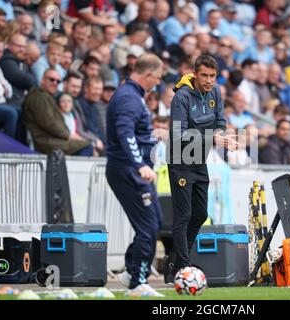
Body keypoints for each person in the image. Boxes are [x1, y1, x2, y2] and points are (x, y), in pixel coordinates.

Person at [164, 54, 239, 285]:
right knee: (184, 215)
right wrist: (213, 138)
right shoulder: (182, 98)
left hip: (199, 160)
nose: (208, 80)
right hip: (179, 161)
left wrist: (222, 134)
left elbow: (220, 120)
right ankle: (184, 268)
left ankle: (175, 263)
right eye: (204, 75)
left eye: (212, 76)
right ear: (195, 74)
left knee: (201, 214)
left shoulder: (215, 92)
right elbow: (178, 135)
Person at [105, 53, 165, 297]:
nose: (157, 84)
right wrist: (140, 164)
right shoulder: (129, 98)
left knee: (155, 222)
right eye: (157, 78)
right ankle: (138, 283)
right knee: (148, 226)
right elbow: (125, 134)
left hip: (132, 169)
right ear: (148, 74)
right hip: (128, 170)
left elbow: (135, 133)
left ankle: (132, 271)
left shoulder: (132, 96)